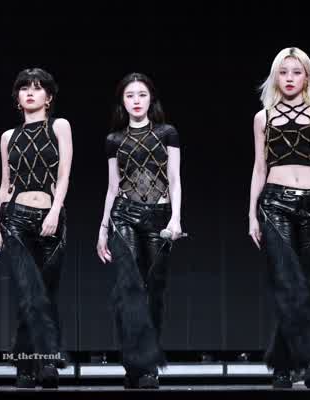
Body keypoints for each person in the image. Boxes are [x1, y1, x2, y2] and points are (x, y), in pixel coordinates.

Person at [248, 47, 310, 389]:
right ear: (275, 77)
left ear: (307, 76)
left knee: (307, 284)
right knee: (287, 284)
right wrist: (251, 213)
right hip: (274, 204)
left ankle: (295, 360)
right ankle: (299, 363)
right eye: (283, 72)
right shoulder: (263, 117)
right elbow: (259, 167)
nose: (289, 78)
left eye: (296, 72)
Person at [96, 72, 182, 389]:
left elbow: (175, 179)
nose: (136, 100)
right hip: (124, 214)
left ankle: (148, 362)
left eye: (142, 94)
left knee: (153, 291)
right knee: (129, 291)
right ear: (122, 101)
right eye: (130, 95)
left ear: (151, 99)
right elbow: (112, 187)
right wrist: (103, 229)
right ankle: (134, 365)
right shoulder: (114, 139)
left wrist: (176, 218)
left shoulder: (167, 133)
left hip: (160, 217)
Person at [0, 68, 73, 388]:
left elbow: (64, 174)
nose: (30, 93)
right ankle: (26, 365)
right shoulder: (7, 137)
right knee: (27, 293)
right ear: (17, 97)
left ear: (48, 97)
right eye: (24, 88)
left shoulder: (60, 126)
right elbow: (4, 185)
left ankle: (47, 362)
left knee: (46, 293)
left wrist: (54, 211)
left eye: (37, 88)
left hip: (49, 215)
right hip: (15, 218)